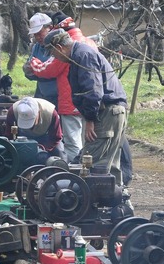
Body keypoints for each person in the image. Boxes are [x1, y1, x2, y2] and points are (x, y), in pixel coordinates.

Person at [43, 28, 128, 185]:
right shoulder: (80, 54)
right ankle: (118, 205)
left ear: (59, 48)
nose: (55, 58)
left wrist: (90, 119)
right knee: (110, 165)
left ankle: (95, 206)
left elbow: (92, 90)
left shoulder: (82, 56)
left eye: (54, 54)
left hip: (107, 112)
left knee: (92, 163)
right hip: (115, 111)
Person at [28, 12, 97, 161]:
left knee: (72, 143)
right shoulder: (87, 42)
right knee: (88, 141)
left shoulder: (66, 47)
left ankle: (73, 174)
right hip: (89, 101)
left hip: (69, 100)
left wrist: (33, 63)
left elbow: (49, 69)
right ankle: (87, 171)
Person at [4, 97, 66, 163]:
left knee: (60, 154)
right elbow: (9, 135)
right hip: (21, 139)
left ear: (38, 113)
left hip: (46, 139)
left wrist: (43, 149)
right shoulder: (13, 112)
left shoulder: (51, 113)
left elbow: (56, 137)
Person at [23, 13, 58, 108]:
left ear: (50, 28)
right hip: (42, 95)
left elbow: (54, 70)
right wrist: (29, 71)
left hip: (59, 96)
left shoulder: (59, 47)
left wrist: (38, 70)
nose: (38, 37)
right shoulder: (36, 47)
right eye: (35, 35)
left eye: (39, 33)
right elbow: (30, 69)